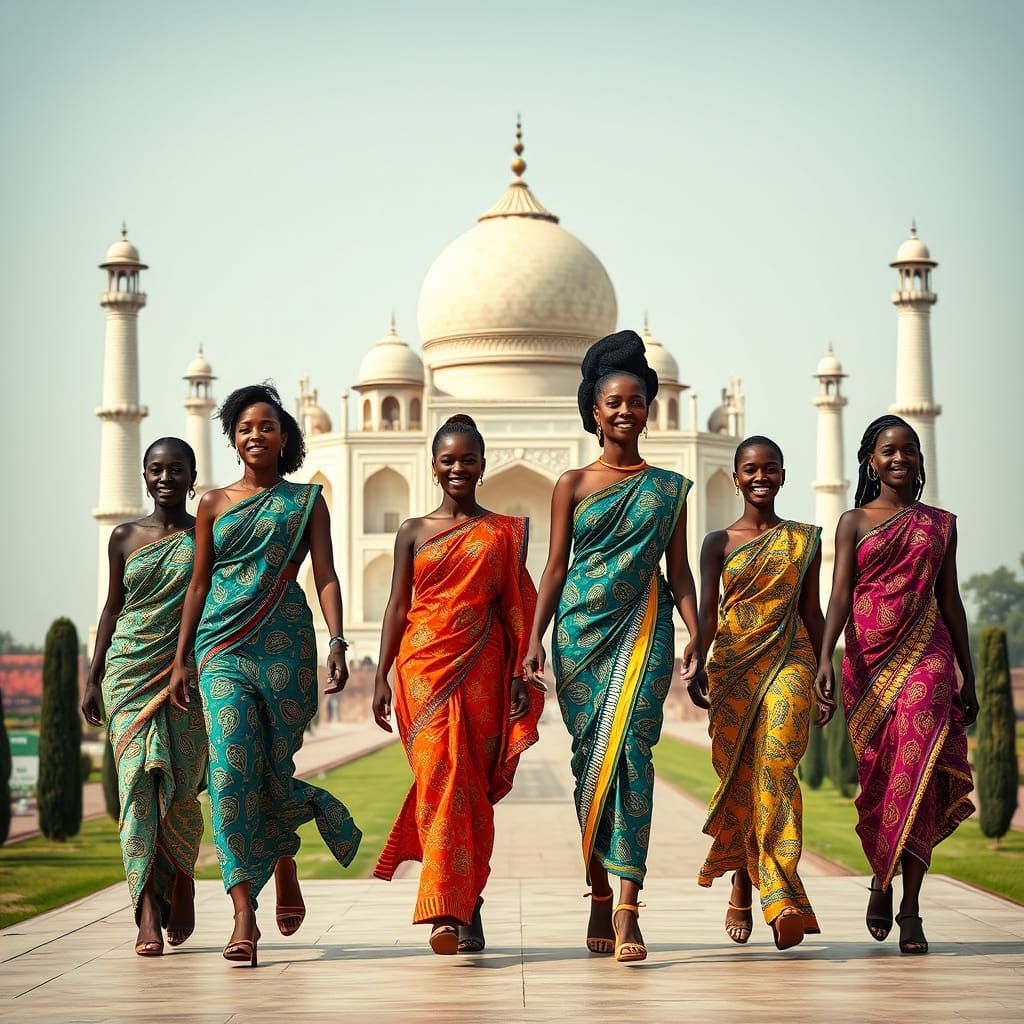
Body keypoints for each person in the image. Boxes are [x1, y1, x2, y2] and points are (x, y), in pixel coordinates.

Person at [524, 330, 703, 964]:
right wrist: (534, 639)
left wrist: (697, 633)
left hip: (645, 627)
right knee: (589, 762)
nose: (626, 411)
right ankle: (598, 886)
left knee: (633, 754)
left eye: (636, 401)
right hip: (580, 634)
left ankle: (628, 906)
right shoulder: (570, 483)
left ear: (648, 408)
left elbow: (679, 572)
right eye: (614, 403)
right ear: (594, 412)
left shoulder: (669, 488)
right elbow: (552, 568)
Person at [170, 383, 362, 968]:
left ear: (286, 437)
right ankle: (244, 915)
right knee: (229, 774)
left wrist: (336, 638)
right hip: (221, 648)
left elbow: (325, 576)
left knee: (272, 771)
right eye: (246, 427)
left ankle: (284, 859)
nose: (256, 435)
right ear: (232, 437)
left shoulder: (308, 500)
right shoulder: (212, 503)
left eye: (267, 426)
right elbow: (199, 584)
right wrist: (181, 656)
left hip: (286, 651)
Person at [372, 414, 543, 955]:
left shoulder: (503, 531)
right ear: (433, 466)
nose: (458, 469)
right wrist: (380, 673)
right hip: (422, 669)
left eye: (468, 459)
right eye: (448, 460)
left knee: (469, 787)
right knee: (440, 776)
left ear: (484, 465)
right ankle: (448, 908)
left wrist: (521, 673)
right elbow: (399, 605)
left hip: (484, 670)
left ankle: (465, 903)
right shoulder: (413, 531)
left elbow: (517, 607)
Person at [816, 414, 978, 955]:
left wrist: (967, 671)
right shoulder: (853, 522)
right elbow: (840, 596)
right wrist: (824, 660)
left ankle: (911, 907)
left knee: (917, 773)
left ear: (919, 459)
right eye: (888, 451)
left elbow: (949, 599)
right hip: (867, 666)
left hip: (927, 659)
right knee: (882, 782)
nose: (899, 459)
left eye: (908, 450)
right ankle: (881, 880)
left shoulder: (939, 524)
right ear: (870, 460)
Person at [692, 436, 829, 951]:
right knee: (742, 777)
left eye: (770, 468)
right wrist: (696, 654)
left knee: (776, 766)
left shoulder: (804, 540)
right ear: (735, 478)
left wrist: (822, 671)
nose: (760, 477)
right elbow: (709, 611)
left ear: (783, 475)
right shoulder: (717, 542)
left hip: (791, 658)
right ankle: (743, 883)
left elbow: (811, 612)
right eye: (750, 469)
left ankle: (780, 894)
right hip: (732, 667)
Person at [82, 437, 208, 957]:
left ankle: (181, 880)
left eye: (175, 469)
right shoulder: (124, 536)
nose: (164, 478)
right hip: (129, 671)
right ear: (143, 474)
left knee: (180, 787)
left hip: (186, 675)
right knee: (136, 788)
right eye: (155, 469)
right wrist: (93, 676)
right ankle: (146, 912)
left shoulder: (207, 536)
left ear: (191, 475)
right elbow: (113, 608)